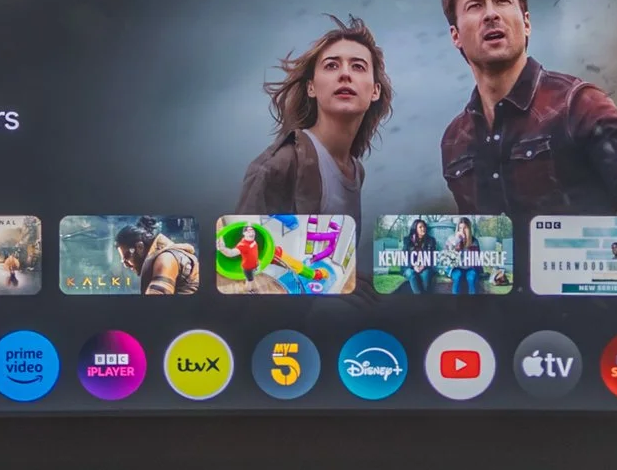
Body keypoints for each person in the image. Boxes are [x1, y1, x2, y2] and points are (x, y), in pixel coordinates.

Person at [435, 0, 617, 236]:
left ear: (526, 23)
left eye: (501, 1)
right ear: (455, 36)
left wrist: (613, 256)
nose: (491, 14)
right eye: (475, 5)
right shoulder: (455, 140)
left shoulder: (577, 102)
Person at [233, 16, 392, 223]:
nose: (345, 74)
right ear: (311, 87)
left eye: (358, 67)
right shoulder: (278, 166)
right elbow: (241, 248)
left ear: (375, 91)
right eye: (332, 65)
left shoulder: (355, 171)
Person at [114, 216, 199, 295]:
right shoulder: (165, 257)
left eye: (127, 257)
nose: (126, 265)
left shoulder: (165, 259)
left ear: (140, 247)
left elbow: (156, 305)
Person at [402, 217, 438, 295]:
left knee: (426, 275)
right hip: (409, 266)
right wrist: (413, 266)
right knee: (412, 274)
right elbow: (404, 257)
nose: (423, 229)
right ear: (415, 229)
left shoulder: (430, 240)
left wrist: (423, 265)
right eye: (420, 227)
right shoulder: (408, 240)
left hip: (425, 266)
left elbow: (432, 257)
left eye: (424, 227)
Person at [452, 216, 485, 294]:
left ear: (469, 229)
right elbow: (448, 258)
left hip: (470, 268)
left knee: (471, 278)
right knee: (457, 277)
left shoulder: (474, 241)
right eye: (460, 228)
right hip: (457, 268)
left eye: (465, 228)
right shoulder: (453, 240)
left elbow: (477, 259)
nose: (462, 231)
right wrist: (456, 244)